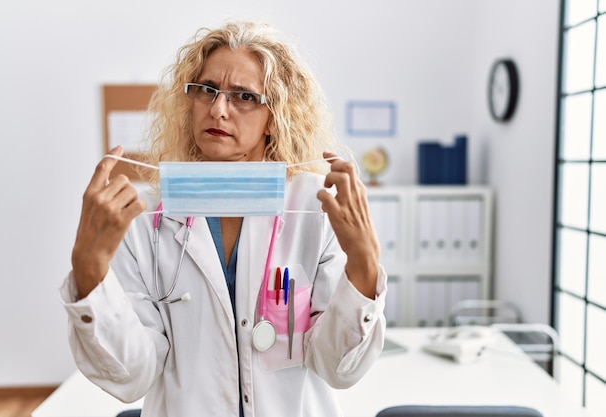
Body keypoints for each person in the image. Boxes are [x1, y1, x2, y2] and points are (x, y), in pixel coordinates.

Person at [60, 20, 387, 417]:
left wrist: (364, 263)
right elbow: (133, 375)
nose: (218, 109)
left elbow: (337, 367)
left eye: (244, 96)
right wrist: (88, 269)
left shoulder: (317, 209)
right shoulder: (147, 218)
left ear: (276, 115)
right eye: (206, 90)